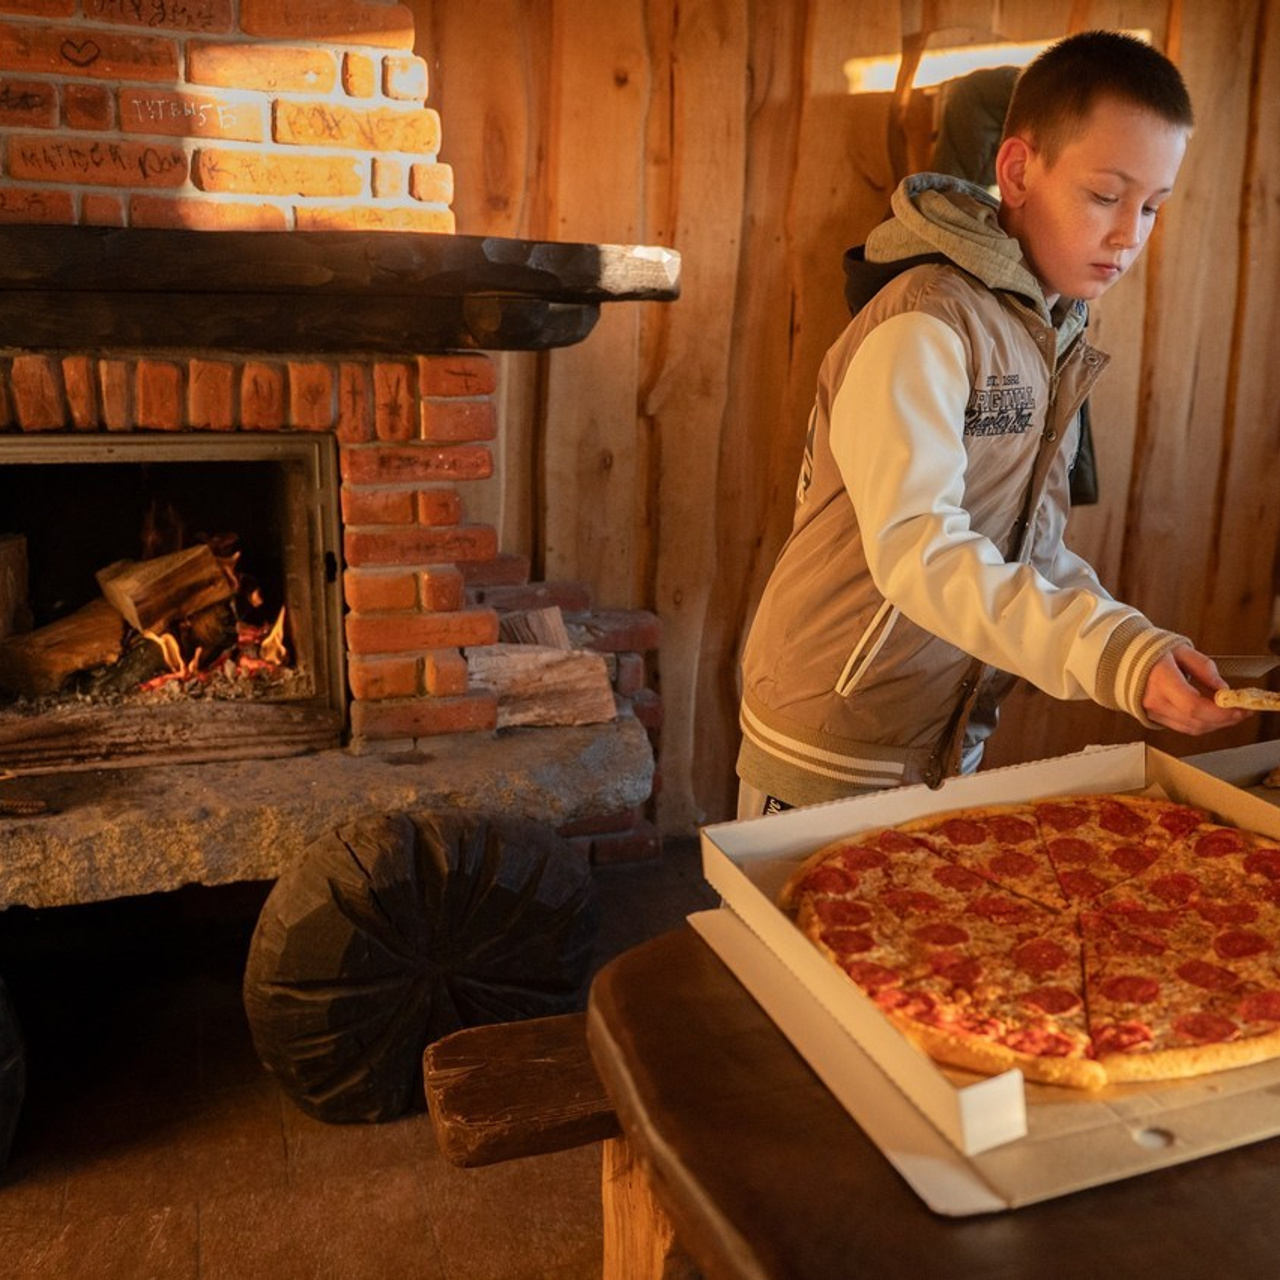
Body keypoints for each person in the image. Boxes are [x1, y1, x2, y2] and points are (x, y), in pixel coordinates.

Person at [736, 29, 1251, 819]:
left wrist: (1137, 647)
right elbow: (921, 552)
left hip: (940, 732)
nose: (1129, 234)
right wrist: (1108, 655)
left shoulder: (1053, 333)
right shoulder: (924, 322)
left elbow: (1032, 554)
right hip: (837, 734)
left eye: (1152, 206)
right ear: (1016, 171)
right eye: (1106, 196)